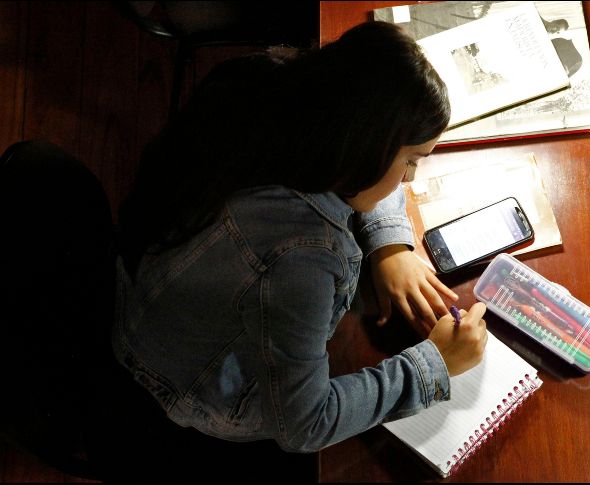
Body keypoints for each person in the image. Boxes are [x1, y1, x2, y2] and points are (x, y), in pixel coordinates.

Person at [113, 20, 488, 472]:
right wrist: (434, 366)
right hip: (186, 387)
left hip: (150, 291)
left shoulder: (280, 84)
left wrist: (391, 247)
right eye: (410, 161)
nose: (409, 180)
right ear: (366, 144)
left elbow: (369, 161)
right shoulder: (302, 256)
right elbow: (306, 424)